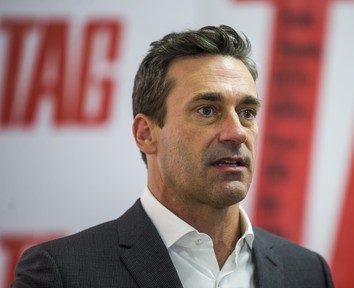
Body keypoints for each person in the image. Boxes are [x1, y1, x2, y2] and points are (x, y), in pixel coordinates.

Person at [11, 25, 334, 287]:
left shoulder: (306, 272)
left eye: (247, 112)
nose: (236, 132)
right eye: (207, 110)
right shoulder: (63, 273)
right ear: (146, 134)